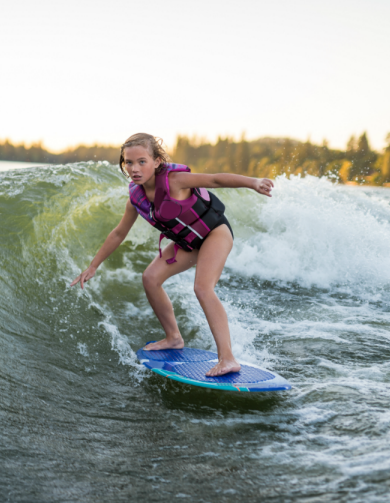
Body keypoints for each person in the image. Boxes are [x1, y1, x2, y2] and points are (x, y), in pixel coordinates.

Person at [71, 133, 273, 376]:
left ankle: (228, 359)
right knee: (150, 278)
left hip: (214, 233)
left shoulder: (175, 180)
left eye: (142, 161)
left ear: (157, 162)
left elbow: (216, 180)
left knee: (202, 288)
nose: (134, 168)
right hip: (187, 241)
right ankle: (174, 338)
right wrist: (93, 266)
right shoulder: (135, 198)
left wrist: (253, 182)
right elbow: (118, 233)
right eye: (129, 162)